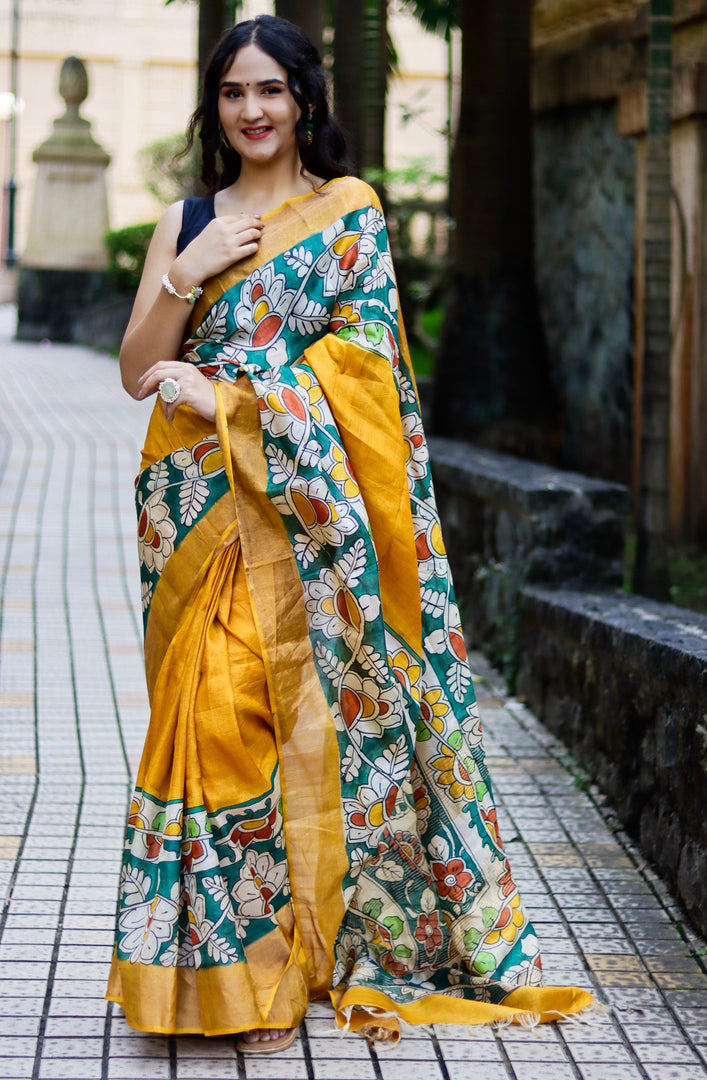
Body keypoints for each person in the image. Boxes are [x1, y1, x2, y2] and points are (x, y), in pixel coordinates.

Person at [106, 13, 593, 1053]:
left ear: (306, 98)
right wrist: (188, 270)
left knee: (271, 722)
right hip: (193, 512)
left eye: (269, 91)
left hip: (305, 515)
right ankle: (215, 978)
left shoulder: (348, 214)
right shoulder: (187, 218)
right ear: (216, 106)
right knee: (203, 721)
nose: (252, 111)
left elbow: (371, 376)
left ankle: (281, 970)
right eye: (233, 93)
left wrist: (235, 399)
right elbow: (136, 366)